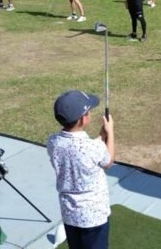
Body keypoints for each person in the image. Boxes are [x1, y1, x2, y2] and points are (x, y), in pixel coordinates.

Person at [47, 89, 115, 249]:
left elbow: (85, 150)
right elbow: (108, 161)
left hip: (69, 214)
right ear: (83, 119)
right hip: (93, 217)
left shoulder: (52, 142)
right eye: (89, 111)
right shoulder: (92, 148)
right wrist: (110, 133)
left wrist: (101, 136)